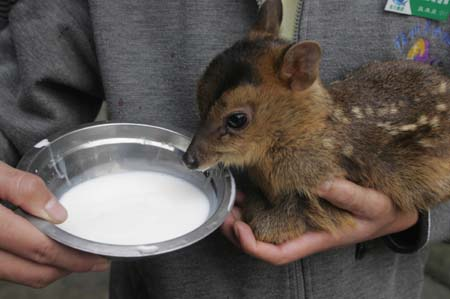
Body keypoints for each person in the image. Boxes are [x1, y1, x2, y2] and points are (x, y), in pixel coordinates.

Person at [0, 0, 448, 297]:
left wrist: (417, 215)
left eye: (234, 123)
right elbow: (17, 94)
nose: (195, 155)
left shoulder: (312, 150)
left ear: (300, 72)